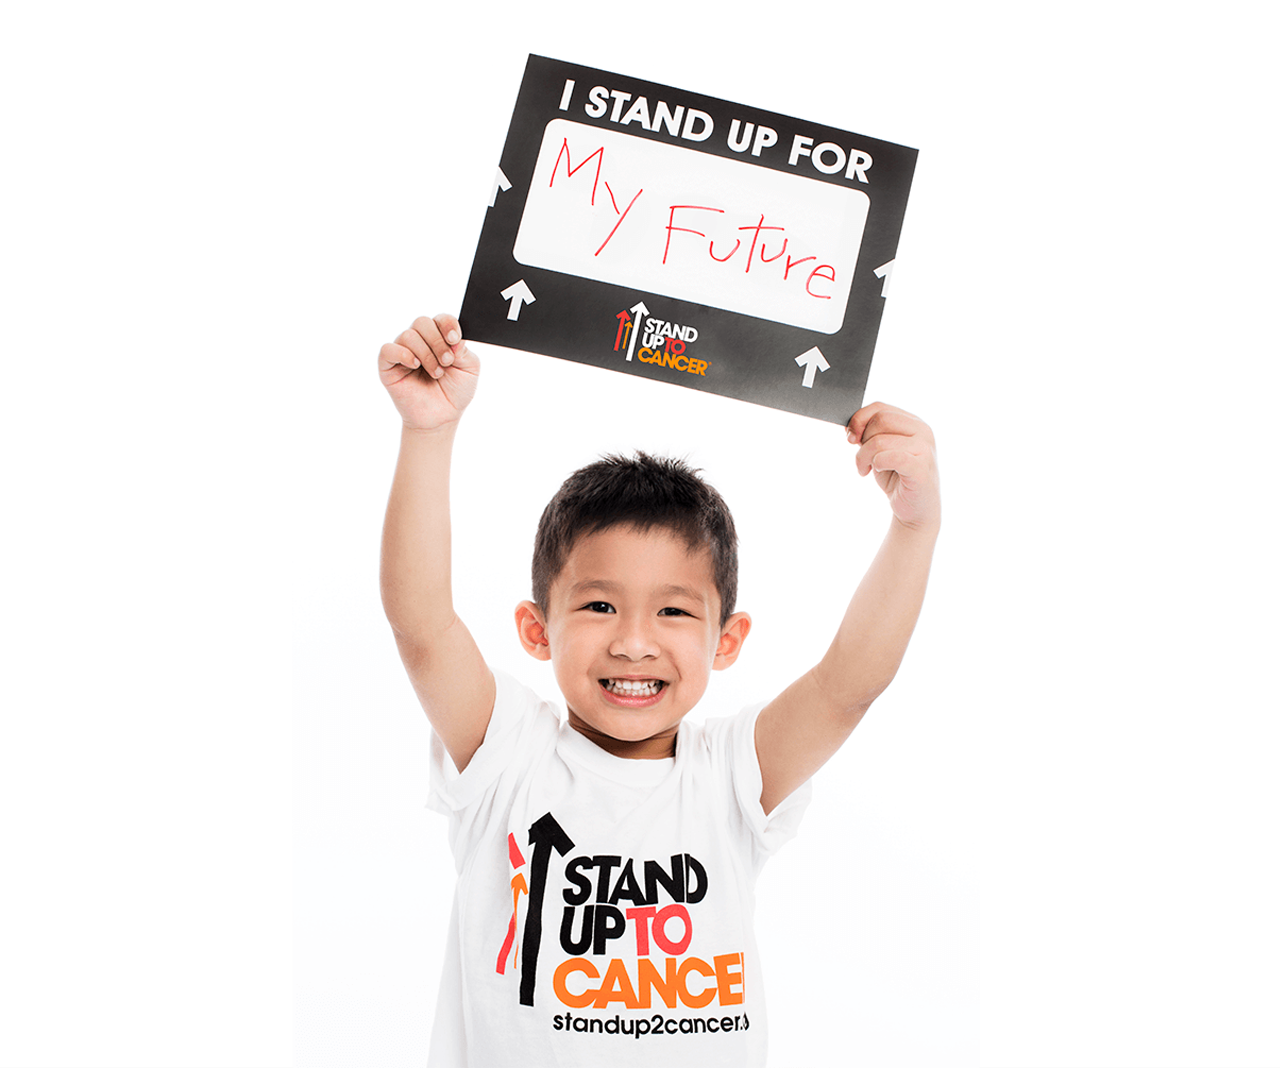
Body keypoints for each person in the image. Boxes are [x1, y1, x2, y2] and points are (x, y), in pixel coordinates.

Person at [378, 312, 940, 1067]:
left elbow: (848, 685)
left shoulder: (730, 776)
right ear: (537, 629)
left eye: (673, 610)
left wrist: (914, 526)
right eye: (600, 604)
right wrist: (427, 433)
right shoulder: (506, 753)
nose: (634, 641)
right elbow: (422, 625)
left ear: (726, 641)